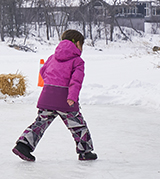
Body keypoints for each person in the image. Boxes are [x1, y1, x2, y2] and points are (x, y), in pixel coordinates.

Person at [13, 29, 97, 162]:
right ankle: (85, 151)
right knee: (78, 126)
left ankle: (23, 145)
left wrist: (51, 84)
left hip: (47, 96)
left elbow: (43, 71)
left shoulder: (52, 57)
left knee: (40, 123)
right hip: (65, 99)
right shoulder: (77, 61)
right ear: (78, 44)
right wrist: (72, 97)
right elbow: (76, 81)